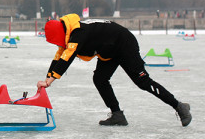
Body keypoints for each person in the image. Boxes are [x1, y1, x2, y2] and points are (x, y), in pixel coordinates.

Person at [37, 14, 192, 127]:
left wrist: (49, 81)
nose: (57, 44)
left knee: (143, 82)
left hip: (124, 44)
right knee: (100, 79)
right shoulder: (69, 32)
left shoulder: (78, 33)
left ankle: (179, 106)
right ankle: (117, 114)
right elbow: (59, 56)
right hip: (108, 51)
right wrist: (47, 78)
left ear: (59, 34)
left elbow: (67, 58)